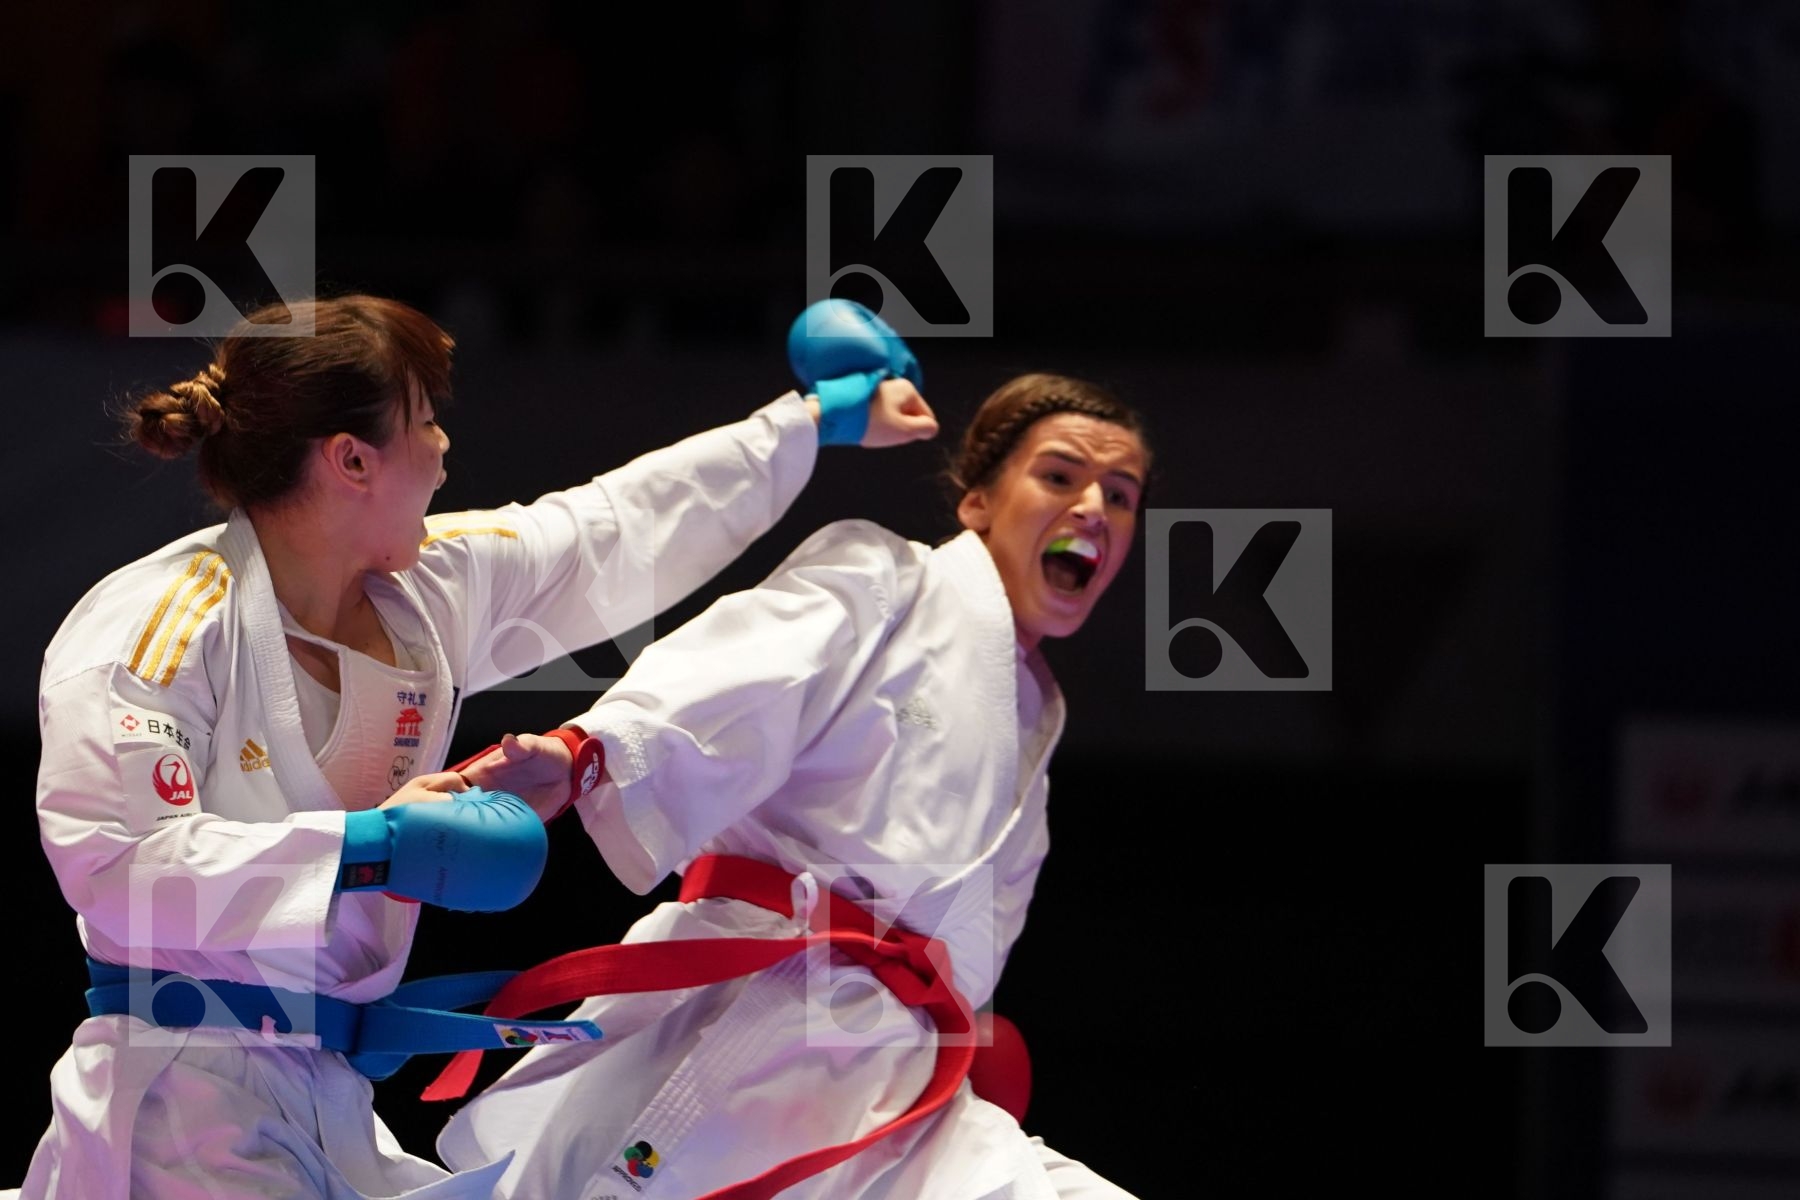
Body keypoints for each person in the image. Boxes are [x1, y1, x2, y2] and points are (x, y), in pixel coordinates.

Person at [21, 293, 936, 1200]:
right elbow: (115, 863)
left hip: (325, 1092)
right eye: (423, 420)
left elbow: (614, 528)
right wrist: (372, 847)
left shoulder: (428, 590)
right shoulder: (159, 627)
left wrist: (808, 421)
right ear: (352, 460)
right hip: (177, 1103)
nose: (444, 446)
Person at [438, 372, 1149, 1199]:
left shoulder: (1033, 720)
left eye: (1120, 495)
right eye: (1060, 476)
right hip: (760, 1013)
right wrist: (587, 752)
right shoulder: (888, 582)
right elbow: (749, 664)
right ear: (978, 502)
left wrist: (955, 1021)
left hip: (896, 1084)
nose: (1093, 508)